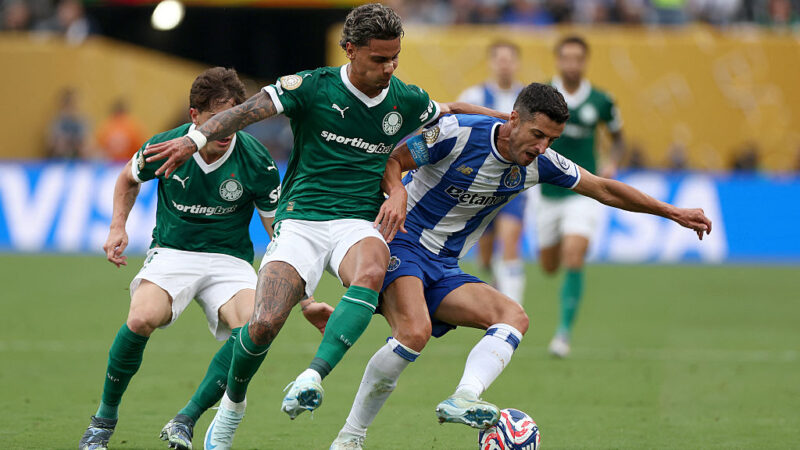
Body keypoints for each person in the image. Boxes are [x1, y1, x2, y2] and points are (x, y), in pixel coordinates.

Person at [142, 4, 506, 449]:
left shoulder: (405, 98)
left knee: (373, 265)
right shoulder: (312, 86)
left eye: (395, 58)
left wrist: (508, 121)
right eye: (379, 59)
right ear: (349, 49)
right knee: (262, 325)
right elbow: (248, 111)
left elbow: (452, 110)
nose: (389, 68)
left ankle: (312, 375)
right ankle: (231, 406)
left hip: (357, 221)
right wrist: (194, 138)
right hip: (302, 220)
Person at [330, 83, 711, 449]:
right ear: (514, 119)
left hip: (444, 263)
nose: (542, 147)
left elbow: (603, 188)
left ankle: (463, 397)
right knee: (415, 331)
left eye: (551, 140)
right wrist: (397, 191)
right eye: (537, 134)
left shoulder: (541, 163)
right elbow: (394, 159)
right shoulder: (458, 132)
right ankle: (350, 437)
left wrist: (672, 212)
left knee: (513, 316)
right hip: (401, 241)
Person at [78, 67, 333, 450]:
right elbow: (128, 178)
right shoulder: (167, 145)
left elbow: (279, 234)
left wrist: (305, 298)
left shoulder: (257, 161)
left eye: (232, 118)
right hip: (173, 252)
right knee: (141, 318)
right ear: (194, 116)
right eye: (216, 118)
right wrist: (117, 227)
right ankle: (103, 420)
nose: (225, 129)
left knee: (255, 328)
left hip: (229, 261)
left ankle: (186, 419)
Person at [540, 35, 625, 358]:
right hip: (545, 192)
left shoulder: (602, 100)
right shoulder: (542, 95)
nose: (572, 64)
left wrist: (612, 161)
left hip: (583, 190)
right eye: (567, 58)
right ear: (558, 60)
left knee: (574, 256)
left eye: (578, 58)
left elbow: (618, 138)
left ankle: (563, 333)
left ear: (585, 61)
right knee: (549, 265)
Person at [458, 40, 527, 304]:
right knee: (485, 257)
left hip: (515, 184)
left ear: (517, 63)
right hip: (481, 186)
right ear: (491, 63)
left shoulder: (528, 100)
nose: (504, 65)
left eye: (509, 59)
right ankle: (497, 276)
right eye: (499, 59)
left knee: (510, 243)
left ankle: (512, 310)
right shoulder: (473, 97)